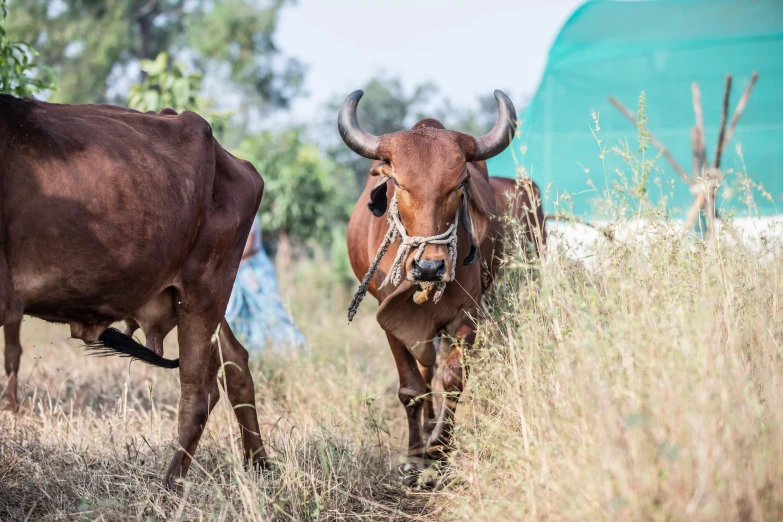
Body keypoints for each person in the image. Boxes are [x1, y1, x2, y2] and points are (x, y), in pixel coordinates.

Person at [225, 216, 306, 354]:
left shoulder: (248, 210)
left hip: (255, 271)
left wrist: (224, 259)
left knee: (271, 313)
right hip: (236, 272)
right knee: (234, 316)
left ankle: (293, 348)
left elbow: (249, 245)